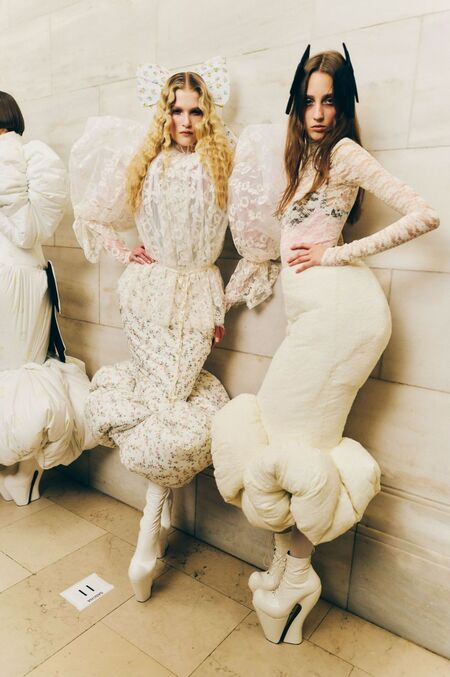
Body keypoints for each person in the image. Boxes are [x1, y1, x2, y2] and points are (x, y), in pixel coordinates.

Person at [212, 45, 439, 645]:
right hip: (321, 316)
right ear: (296, 105)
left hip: (343, 317)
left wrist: (335, 254)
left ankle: (298, 577)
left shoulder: (343, 152)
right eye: (308, 100)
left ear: (344, 106)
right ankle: (286, 567)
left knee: (296, 441)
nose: (318, 112)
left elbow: (424, 215)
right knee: (285, 434)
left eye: (329, 101)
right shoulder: (304, 155)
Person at [70, 58, 236, 602]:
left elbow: (255, 236)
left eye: (195, 112)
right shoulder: (147, 164)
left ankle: (149, 533)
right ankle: (149, 535)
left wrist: (221, 306)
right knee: (160, 399)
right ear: (163, 114)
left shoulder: (224, 162)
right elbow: (93, 214)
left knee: (169, 403)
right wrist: (127, 252)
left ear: (207, 115)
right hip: (146, 297)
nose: (185, 122)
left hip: (197, 296)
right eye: (175, 111)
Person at [0, 91, 97, 506]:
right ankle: (24, 473)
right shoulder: (35, 157)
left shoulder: (12, 156)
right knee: (32, 370)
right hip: (33, 274)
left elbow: (21, 228)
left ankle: (20, 474)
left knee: (16, 373)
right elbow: (30, 231)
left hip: (9, 276)